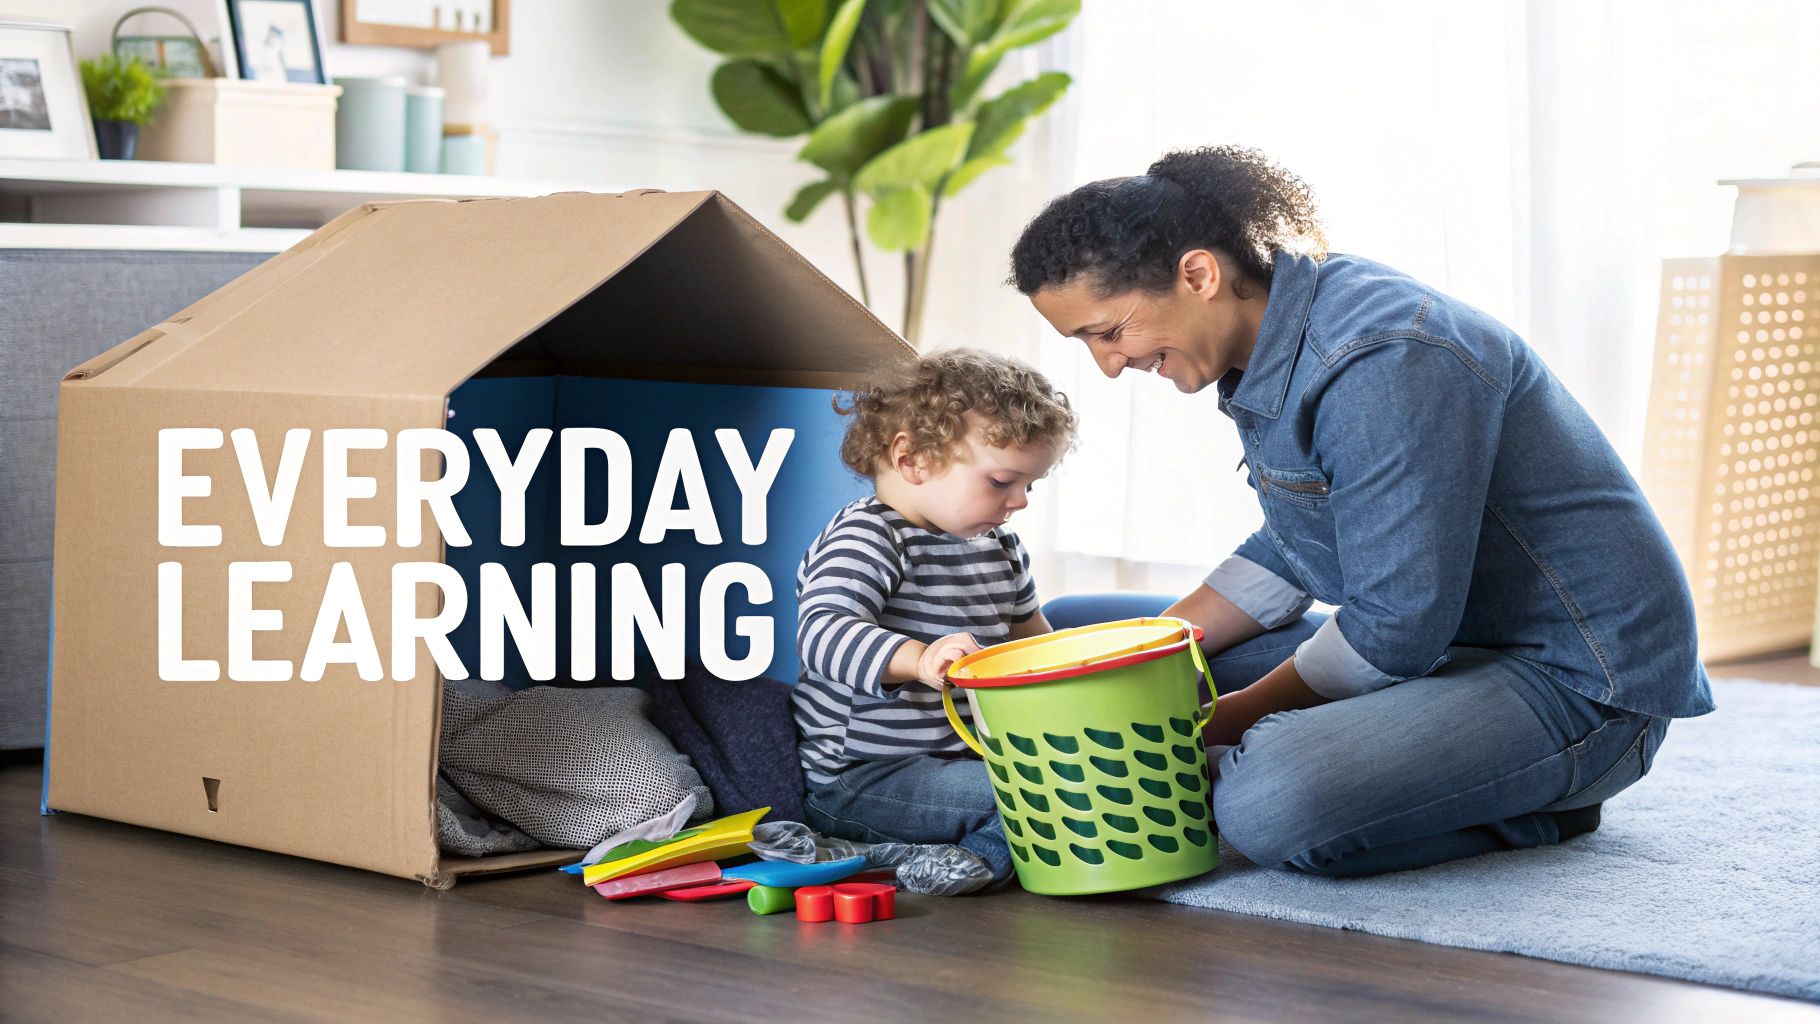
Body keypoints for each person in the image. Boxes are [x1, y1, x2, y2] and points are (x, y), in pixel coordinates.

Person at [1009, 145, 1714, 877]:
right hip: (1448, 648)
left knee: (1267, 798)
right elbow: (1298, 543)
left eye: (1108, 331)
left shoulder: (1385, 357)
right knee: (1082, 629)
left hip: (1572, 685)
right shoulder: (1270, 336)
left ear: (1198, 274)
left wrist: (1216, 722)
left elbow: (1395, 625)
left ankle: (1540, 805)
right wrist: (1144, 655)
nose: (1107, 364)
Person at [791, 348, 1076, 894]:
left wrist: (1080, 674)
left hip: (965, 759)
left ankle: (913, 850)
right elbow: (822, 634)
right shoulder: (870, 537)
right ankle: (958, 860)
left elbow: (1032, 642)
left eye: (1029, 486)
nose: (1019, 501)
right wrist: (917, 659)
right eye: (1001, 482)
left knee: (1068, 775)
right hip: (865, 776)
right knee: (1028, 792)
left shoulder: (1000, 546)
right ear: (914, 459)